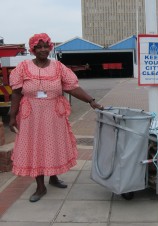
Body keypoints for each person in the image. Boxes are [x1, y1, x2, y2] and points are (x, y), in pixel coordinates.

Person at [9, 33, 104, 202]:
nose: (43, 50)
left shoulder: (58, 67)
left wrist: (91, 100)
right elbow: (16, 94)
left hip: (53, 114)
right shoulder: (22, 68)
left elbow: (72, 88)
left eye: (46, 46)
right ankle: (40, 186)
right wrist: (12, 116)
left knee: (52, 145)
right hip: (31, 116)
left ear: (50, 47)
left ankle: (53, 178)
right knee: (36, 147)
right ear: (32, 49)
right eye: (39, 47)